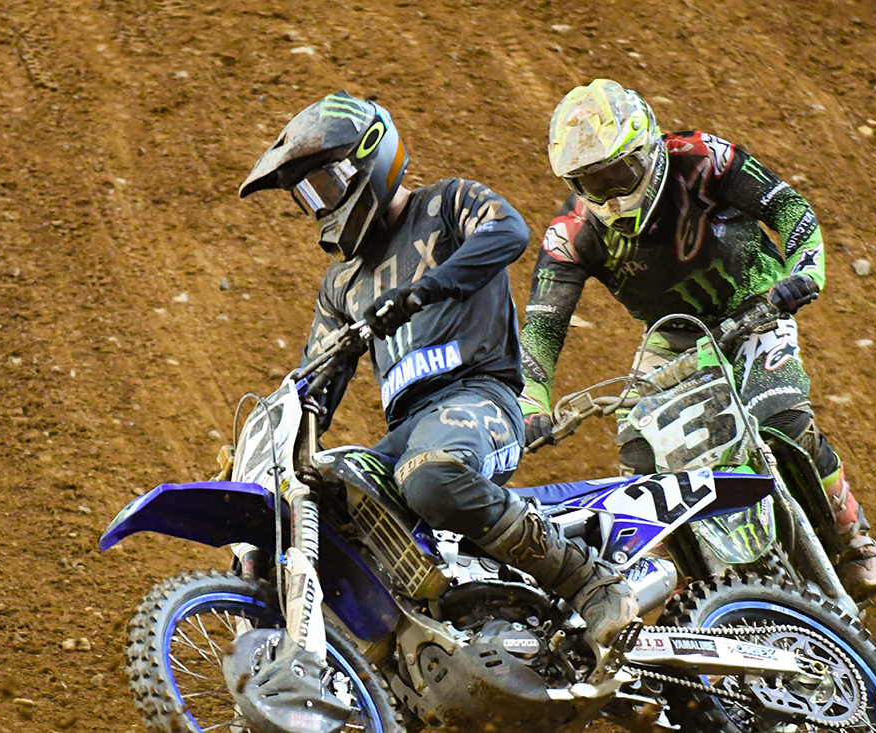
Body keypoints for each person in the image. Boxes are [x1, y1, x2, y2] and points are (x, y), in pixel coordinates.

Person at [239, 91, 638, 648]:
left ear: (367, 158)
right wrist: (265, 470)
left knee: (427, 474)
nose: (320, 207)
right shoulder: (342, 286)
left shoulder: (448, 204)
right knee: (330, 501)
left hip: (483, 400)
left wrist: (422, 290)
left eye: (324, 186)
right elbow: (315, 384)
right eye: (307, 197)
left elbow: (509, 233)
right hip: (409, 429)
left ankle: (589, 582)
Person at [519, 79, 876, 600]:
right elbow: (543, 324)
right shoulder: (573, 232)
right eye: (590, 183)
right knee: (639, 459)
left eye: (618, 174)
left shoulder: (702, 160)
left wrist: (805, 271)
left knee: (779, 414)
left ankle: (854, 537)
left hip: (756, 305)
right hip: (675, 338)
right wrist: (531, 401)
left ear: (646, 148)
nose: (611, 195)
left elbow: (789, 208)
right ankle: (707, 591)